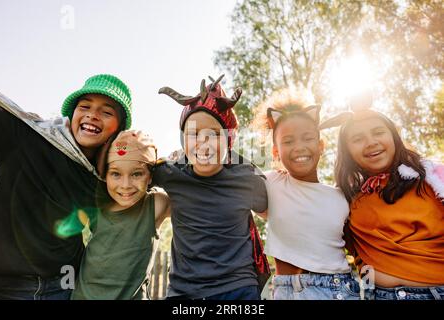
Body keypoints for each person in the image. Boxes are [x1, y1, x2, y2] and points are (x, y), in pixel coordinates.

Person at [0, 74, 132, 299]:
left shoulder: (108, 178)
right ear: (73, 114)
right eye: (85, 106)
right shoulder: (27, 136)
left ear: (119, 130)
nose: (92, 115)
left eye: (106, 112)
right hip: (4, 288)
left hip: (62, 289)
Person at [153, 75, 269, 300]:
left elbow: (272, 206)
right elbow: (130, 171)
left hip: (238, 289)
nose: (203, 142)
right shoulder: (169, 172)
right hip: (184, 292)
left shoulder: (246, 177)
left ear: (229, 139)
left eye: (214, 134)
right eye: (194, 134)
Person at [322, 96, 444, 300]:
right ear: (348, 152)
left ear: (394, 137)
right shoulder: (347, 197)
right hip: (377, 294)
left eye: (378, 132)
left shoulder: (432, 179)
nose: (371, 143)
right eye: (357, 139)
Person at [252, 89, 360, 300]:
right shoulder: (270, 183)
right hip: (287, 290)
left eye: (307, 138)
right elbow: (226, 183)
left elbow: (358, 247)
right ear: (275, 152)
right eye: (288, 141)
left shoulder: (341, 198)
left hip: (338, 289)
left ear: (320, 146)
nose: (299, 147)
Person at [70, 131, 171, 300]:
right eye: (115, 174)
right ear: (105, 175)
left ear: (151, 175)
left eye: (137, 174)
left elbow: (192, 201)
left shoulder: (155, 205)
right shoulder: (96, 202)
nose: (125, 185)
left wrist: (166, 169)